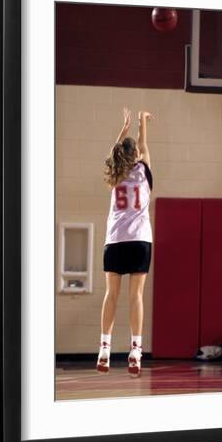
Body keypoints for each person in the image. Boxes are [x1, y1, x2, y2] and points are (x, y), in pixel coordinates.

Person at [97, 107, 155, 378]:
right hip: (140, 240)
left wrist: (123, 127)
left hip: (115, 240)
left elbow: (114, 152)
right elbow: (143, 145)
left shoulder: (115, 174)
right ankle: (136, 350)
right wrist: (143, 121)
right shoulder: (143, 171)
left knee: (112, 295)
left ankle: (104, 349)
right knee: (136, 297)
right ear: (137, 156)